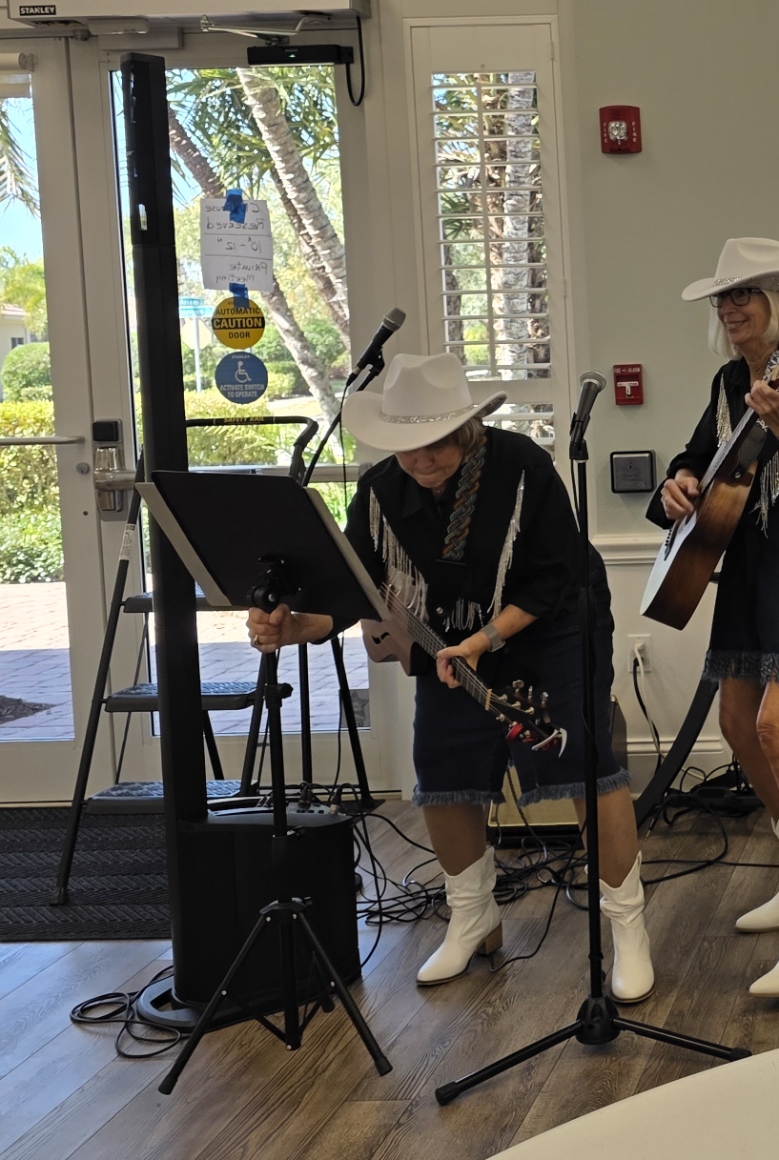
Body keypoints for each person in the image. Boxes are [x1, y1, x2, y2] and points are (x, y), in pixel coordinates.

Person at [246, 353, 655, 1001]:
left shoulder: (522, 467)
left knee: (579, 760)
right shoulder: (381, 490)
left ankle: (627, 927)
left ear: (467, 429)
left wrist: (484, 641)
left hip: (550, 626)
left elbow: (553, 575)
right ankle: (473, 918)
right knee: (441, 766)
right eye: (406, 444)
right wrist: (295, 626)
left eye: (435, 443)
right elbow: (355, 583)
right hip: (449, 641)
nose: (420, 459)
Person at [649, 238, 779, 998]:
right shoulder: (728, 380)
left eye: (745, 294)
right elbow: (697, 453)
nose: (730, 307)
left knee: (776, 726)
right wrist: (677, 481)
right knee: (736, 722)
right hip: (739, 550)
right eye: (723, 297)